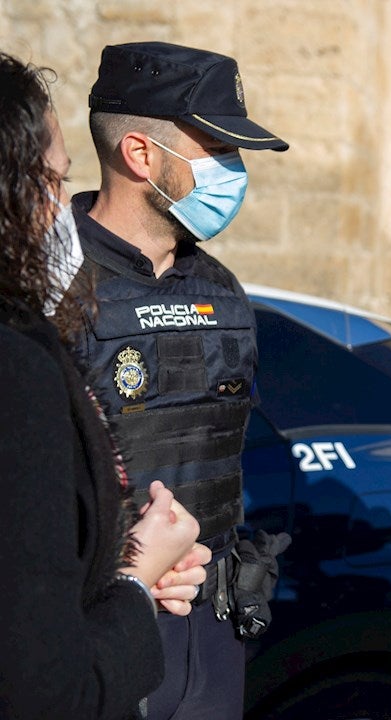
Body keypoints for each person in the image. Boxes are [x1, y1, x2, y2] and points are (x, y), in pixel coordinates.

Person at [64, 41, 289, 720]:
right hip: (95, 632)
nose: (235, 172)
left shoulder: (224, 292)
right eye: (217, 151)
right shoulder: (50, 286)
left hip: (212, 635)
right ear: (140, 156)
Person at [0, 50, 209, 718]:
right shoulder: (19, 366)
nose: (61, 208)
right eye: (54, 183)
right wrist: (136, 583)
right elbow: (47, 687)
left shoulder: (222, 292)